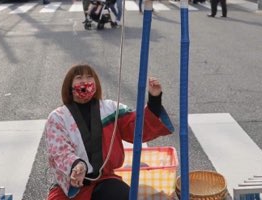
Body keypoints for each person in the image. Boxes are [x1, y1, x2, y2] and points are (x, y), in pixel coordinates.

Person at [44, 64, 173, 200]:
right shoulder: (58, 117)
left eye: (89, 77)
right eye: (79, 77)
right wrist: (76, 165)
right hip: (69, 186)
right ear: (69, 85)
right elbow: (59, 152)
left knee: (122, 195)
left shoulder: (110, 109)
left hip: (104, 180)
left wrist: (154, 100)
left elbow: (136, 127)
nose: (84, 81)